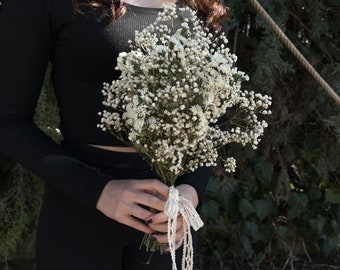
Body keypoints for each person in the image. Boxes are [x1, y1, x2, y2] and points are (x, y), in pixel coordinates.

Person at [0, 0, 228, 269]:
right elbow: (8, 121)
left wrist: (191, 190)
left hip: (167, 223)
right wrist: (99, 190)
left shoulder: (200, 4)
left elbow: (213, 115)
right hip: (80, 218)